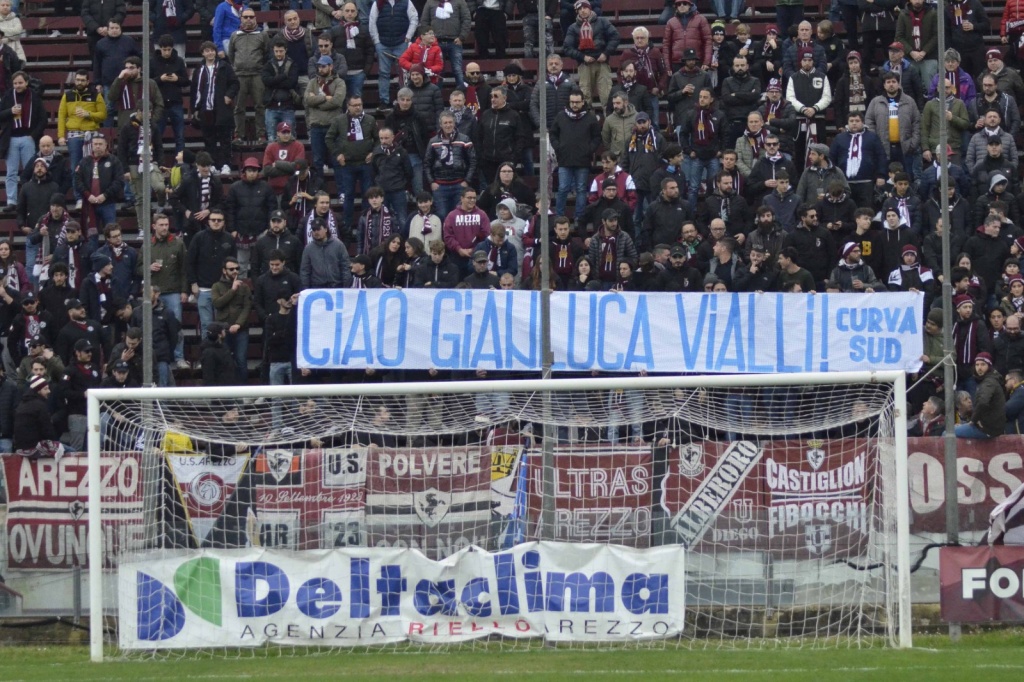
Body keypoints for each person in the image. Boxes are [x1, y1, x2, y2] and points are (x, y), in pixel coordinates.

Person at [326, 96, 378, 229]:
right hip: (347, 165)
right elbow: (329, 138)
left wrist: (373, 153)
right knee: (348, 195)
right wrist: (337, 154)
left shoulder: (370, 120)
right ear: (348, 106)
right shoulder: (339, 120)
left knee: (367, 194)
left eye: (360, 104)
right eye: (354, 105)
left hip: (365, 163)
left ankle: (366, 223)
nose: (358, 107)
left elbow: (378, 139)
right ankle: (347, 226)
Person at [57, 71, 107, 208]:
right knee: (75, 167)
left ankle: (92, 194)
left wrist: (88, 114)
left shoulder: (95, 95)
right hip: (74, 135)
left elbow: (103, 115)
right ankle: (79, 198)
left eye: (82, 80)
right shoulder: (67, 95)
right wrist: (61, 135)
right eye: (78, 80)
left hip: (91, 135)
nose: (79, 82)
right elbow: (61, 116)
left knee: (92, 166)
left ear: (87, 81)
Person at [551, 89, 601, 224]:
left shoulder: (590, 117)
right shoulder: (561, 116)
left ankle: (579, 218)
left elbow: (597, 137)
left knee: (581, 189)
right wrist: (558, 147)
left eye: (577, 102)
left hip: (583, 160)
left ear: (583, 102)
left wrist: (589, 150)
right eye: (572, 102)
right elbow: (553, 134)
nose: (574, 105)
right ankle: (559, 217)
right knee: (563, 188)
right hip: (564, 159)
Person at [0, 71, 44, 211]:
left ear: (26, 82)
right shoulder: (8, 96)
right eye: (15, 83)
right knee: (11, 172)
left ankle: (29, 199)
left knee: (29, 170)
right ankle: (11, 201)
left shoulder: (34, 97)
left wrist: (33, 136)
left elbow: (43, 119)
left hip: (28, 138)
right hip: (11, 138)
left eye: (20, 83)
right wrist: (10, 111)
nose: (18, 85)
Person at [562, 0, 620, 107]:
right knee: (585, 97)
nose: (582, 10)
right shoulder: (573, 27)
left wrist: (606, 53)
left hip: (602, 63)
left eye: (584, 8)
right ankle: (587, 117)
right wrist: (582, 57)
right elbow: (567, 47)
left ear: (590, 8)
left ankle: (608, 117)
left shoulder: (602, 21)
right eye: (579, 9)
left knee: (606, 96)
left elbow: (615, 37)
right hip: (584, 64)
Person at [227, 8, 269, 145]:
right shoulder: (234, 35)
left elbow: (267, 54)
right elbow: (231, 56)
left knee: (260, 106)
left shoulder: (262, 35)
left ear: (255, 18)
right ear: (241, 19)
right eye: (246, 17)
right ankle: (238, 136)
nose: (248, 19)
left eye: (251, 17)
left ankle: (261, 135)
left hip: (257, 75)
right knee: (239, 107)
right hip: (239, 75)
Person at [368, 0, 419, 110]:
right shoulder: (378, 3)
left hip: (401, 43)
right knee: (383, 73)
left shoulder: (406, 2)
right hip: (383, 44)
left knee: (403, 73)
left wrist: (408, 37)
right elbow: (372, 21)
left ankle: (405, 100)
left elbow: (414, 19)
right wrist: (376, 41)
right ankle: (384, 101)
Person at [211, 256, 252, 384]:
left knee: (241, 360)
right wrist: (233, 290)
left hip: (241, 329)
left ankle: (244, 390)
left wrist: (238, 324)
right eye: (231, 269)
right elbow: (217, 303)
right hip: (223, 330)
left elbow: (247, 307)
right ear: (224, 270)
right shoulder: (216, 286)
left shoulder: (245, 287)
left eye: (237, 268)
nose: (235, 271)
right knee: (225, 361)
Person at [419, 0, 470, 87]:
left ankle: (462, 92)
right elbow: (424, 21)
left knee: (457, 70)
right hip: (436, 42)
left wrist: (462, 37)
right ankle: (436, 94)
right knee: (438, 71)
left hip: (454, 41)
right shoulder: (430, 2)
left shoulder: (459, 1)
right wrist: (429, 38)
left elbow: (466, 19)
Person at [151, 35, 189, 156]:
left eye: (169, 49)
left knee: (180, 136)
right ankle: (157, 160)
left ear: (172, 48)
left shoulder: (179, 61)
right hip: (159, 104)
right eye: (164, 49)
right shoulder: (152, 62)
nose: (167, 52)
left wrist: (177, 79)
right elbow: (147, 82)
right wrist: (160, 79)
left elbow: (186, 81)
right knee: (157, 136)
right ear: (160, 48)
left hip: (175, 102)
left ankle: (180, 161)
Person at [956, 352, 1006, 438]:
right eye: (977, 365)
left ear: (989, 366)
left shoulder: (988, 382)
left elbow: (983, 402)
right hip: (991, 427)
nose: (979, 368)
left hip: (987, 429)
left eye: (983, 364)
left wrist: (973, 420)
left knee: (947, 434)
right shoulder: (990, 380)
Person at [13, 375, 60, 458]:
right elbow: (47, 431)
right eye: (45, 389)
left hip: (20, 448)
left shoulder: (22, 404)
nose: (49, 391)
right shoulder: (40, 405)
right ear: (38, 391)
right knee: (69, 450)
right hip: (34, 447)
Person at [300, 217, 352, 288]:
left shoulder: (338, 245)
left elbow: (345, 266)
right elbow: (305, 271)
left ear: (326, 229)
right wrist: (305, 289)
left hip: (336, 286)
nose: (316, 232)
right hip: (317, 287)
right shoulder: (308, 249)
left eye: (318, 229)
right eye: (314, 230)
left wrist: (346, 287)